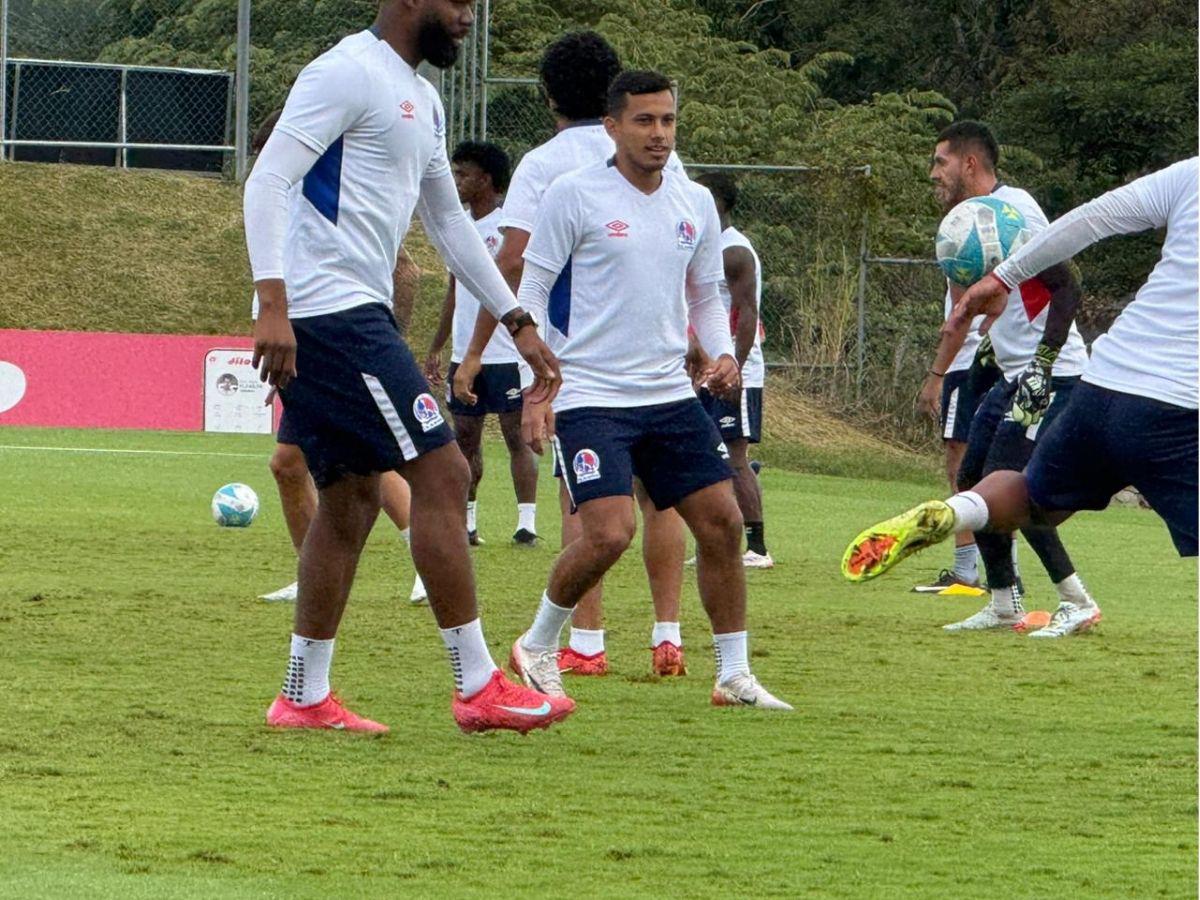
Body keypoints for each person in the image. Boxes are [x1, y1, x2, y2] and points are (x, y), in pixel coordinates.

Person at [242, 0, 572, 734]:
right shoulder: (343, 72)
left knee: (352, 496)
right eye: (457, 3)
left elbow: (449, 221)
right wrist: (273, 302)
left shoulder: (421, 96)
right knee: (445, 473)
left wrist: (515, 318)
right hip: (330, 312)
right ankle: (478, 683)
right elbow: (266, 181)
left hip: (340, 312)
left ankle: (302, 695)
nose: (468, 18)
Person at [507, 70, 792, 709]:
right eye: (644, 121)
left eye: (667, 121)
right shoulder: (573, 195)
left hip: (668, 395)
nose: (658, 134)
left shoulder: (692, 202)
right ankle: (539, 642)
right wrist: (537, 385)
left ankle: (733, 675)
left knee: (721, 524)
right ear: (611, 127)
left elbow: (706, 293)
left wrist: (721, 352)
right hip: (590, 396)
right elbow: (533, 287)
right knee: (609, 533)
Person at [842, 157, 1198, 637]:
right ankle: (1051, 598)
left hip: (1105, 381)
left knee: (1034, 499)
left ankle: (954, 513)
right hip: (1178, 405)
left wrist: (1001, 277)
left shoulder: (1191, 173)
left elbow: (1091, 218)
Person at [453, 31, 691, 677]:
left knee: (583, 502)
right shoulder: (664, 160)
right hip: (659, 361)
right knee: (661, 497)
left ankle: (586, 643)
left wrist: (475, 351)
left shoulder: (544, 164)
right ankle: (668, 633)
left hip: (581, 362)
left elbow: (509, 260)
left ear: (549, 93)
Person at [878, 121, 1097, 633]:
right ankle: (1003, 603)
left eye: (941, 162)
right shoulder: (977, 219)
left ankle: (1077, 600)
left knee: (1010, 490)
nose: (934, 173)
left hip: (1053, 374)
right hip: (1011, 372)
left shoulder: (1015, 212)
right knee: (973, 481)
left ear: (969, 164)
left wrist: (1042, 364)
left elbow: (1066, 287)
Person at [249, 109, 426, 605]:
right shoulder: (278, 205)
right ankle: (314, 577)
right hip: (299, 353)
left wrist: (389, 344)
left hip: (343, 346)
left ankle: (427, 564)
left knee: (371, 460)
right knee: (288, 465)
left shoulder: (331, 202)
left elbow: (406, 271)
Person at [424, 141, 540, 549]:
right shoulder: (459, 227)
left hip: (505, 353)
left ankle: (526, 521)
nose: (456, 181)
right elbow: (454, 292)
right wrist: (438, 346)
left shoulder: (512, 227)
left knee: (516, 438)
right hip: (464, 354)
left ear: (485, 179)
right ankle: (468, 522)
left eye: (463, 174)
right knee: (465, 439)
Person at [693, 172, 773, 568]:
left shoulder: (734, 251)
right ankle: (713, 542)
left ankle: (758, 547)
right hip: (705, 370)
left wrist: (734, 369)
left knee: (735, 456)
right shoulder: (705, 246)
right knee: (706, 453)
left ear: (719, 204)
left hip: (734, 371)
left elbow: (746, 316)